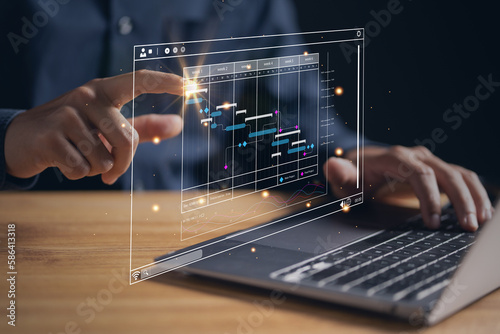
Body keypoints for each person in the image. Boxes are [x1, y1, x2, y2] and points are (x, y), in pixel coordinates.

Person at [0, 0, 492, 232]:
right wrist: (10, 137)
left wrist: (350, 157)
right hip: (23, 243)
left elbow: (298, 117)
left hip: (198, 240)